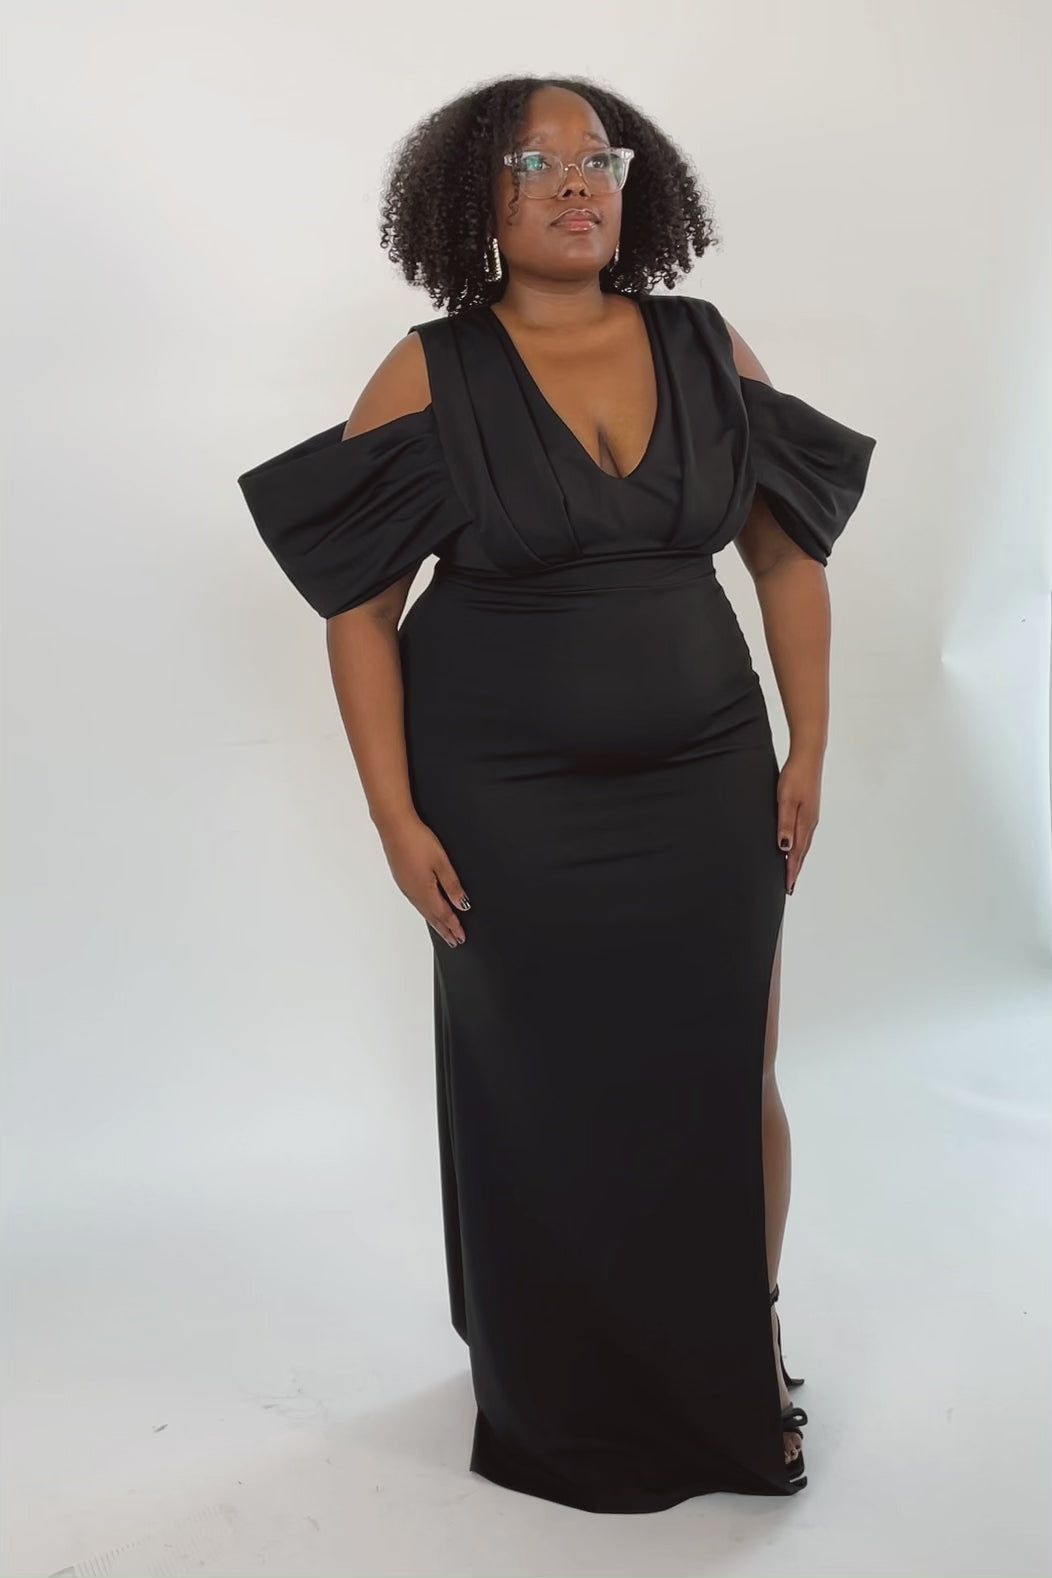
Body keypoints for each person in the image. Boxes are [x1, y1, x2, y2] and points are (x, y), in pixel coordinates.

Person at [237, 73, 876, 1515]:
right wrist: (394, 818)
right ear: (480, 197)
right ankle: (559, 1384)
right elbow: (357, 606)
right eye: (537, 163)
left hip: (707, 775)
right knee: (539, 1085)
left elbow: (787, 555)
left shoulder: (707, 345)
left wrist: (811, 746)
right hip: (503, 798)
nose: (578, 183)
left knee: (727, 1068)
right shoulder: (431, 370)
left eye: (601, 159)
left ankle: (741, 1348)